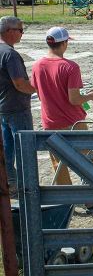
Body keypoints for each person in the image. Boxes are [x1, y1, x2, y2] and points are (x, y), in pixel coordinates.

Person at [30, 27, 93, 190]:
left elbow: (38, 91)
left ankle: (65, 200)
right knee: (85, 160)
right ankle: (90, 199)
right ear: (64, 43)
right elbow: (74, 99)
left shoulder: (37, 65)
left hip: (50, 122)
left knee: (59, 165)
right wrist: (90, 96)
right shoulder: (70, 67)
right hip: (73, 121)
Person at [0, 16, 35, 198]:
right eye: (20, 30)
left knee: (7, 149)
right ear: (10, 31)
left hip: (3, 108)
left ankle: (11, 183)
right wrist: (38, 89)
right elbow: (20, 84)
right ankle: (28, 187)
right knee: (25, 149)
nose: (22, 34)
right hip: (17, 108)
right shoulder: (10, 54)